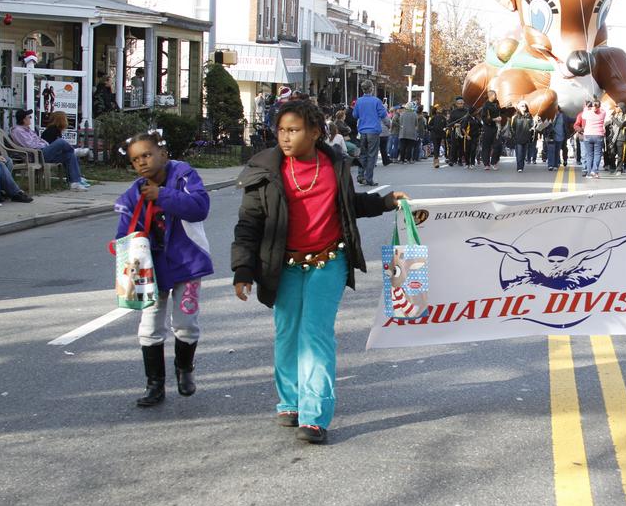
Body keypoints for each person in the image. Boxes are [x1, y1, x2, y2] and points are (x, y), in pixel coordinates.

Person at [232, 100, 408, 444]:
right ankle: (290, 401)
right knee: (287, 333)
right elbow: (248, 224)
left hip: (329, 260)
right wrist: (243, 268)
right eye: (281, 130)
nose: (285, 138)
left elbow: (349, 205)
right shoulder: (265, 171)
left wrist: (384, 202)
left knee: (316, 335)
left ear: (315, 132)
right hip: (284, 265)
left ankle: (314, 416)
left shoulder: (334, 165)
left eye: (294, 130)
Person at [115, 130, 214, 407]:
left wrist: (162, 195)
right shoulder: (132, 194)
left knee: (185, 323)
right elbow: (126, 233)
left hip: (187, 262)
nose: (142, 162)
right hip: (150, 269)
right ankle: (154, 384)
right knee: (149, 327)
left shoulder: (184, 177)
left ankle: (184, 369)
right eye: (136, 160)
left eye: (147, 155)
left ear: (163, 154)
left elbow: (199, 208)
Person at [9, 109, 89, 191]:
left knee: (69, 155)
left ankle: (74, 183)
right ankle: (75, 151)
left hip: (43, 152)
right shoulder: (18, 131)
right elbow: (30, 145)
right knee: (60, 142)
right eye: (29, 117)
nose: (30, 118)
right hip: (37, 155)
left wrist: (45, 144)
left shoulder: (27, 129)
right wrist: (45, 145)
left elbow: (40, 140)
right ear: (24, 119)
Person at [352, 80, 386, 186]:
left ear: (363, 89)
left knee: (363, 154)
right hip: (374, 131)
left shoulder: (359, 101)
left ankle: (360, 175)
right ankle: (369, 178)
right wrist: (388, 125)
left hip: (362, 131)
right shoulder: (376, 101)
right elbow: (384, 116)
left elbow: (355, 115)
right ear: (371, 89)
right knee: (372, 155)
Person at [577, 99, 607, 178]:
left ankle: (589, 172)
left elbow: (583, 113)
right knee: (597, 154)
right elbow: (603, 109)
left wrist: (587, 107)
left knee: (589, 155)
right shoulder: (602, 113)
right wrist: (598, 105)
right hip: (598, 135)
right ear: (599, 107)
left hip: (588, 135)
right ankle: (595, 170)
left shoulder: (587, 113)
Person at [479, 91, 502, 171]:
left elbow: (500, 112)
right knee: (486, 146)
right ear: (491, 96)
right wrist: (494, 119)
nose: (496, 96)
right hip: (488, 127)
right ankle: (486, 164)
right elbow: (484, 118)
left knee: (498, 145)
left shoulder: (497, 103)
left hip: (496, 127)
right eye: (495, 95)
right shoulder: (485, 106)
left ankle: (494, 161)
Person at [510, 101, 534, 173]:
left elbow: (532, 125)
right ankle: (519, 167)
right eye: (522, 106)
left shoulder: (529, 116)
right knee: (519, 153)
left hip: (526, 138)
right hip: (518, 138)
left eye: (525, 106)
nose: (524, 107)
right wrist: (514, 136)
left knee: (523, 154)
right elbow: (512, 128)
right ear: (519, 107)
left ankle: (521, 166)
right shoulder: (515, 117)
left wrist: (534, 125)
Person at [545, 106, 569, 171]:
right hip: (551, 137)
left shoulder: (563, 116)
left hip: (560, 137)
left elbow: (571, 119)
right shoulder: (549, 116)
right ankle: (550, 165)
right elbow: (544, 125)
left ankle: (555, 165)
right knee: (551, 151)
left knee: (556, 152)